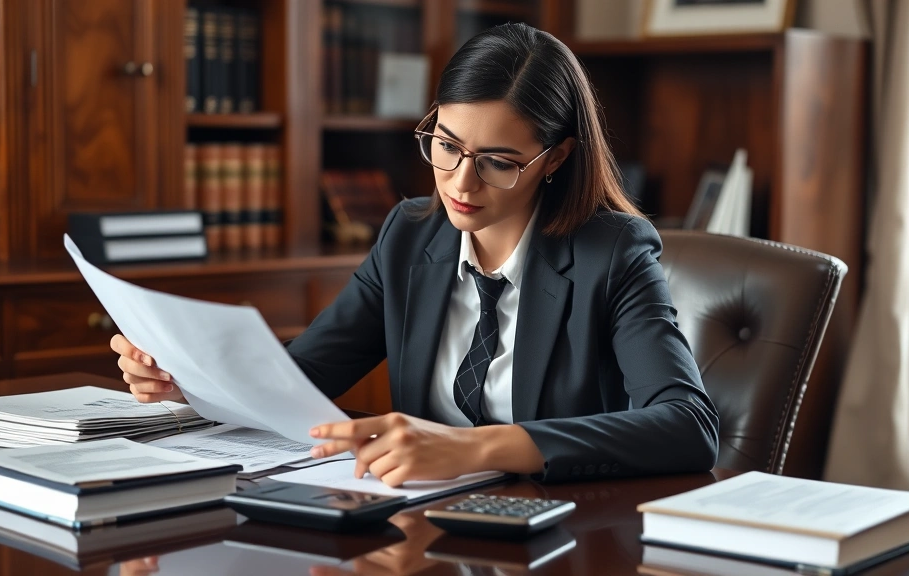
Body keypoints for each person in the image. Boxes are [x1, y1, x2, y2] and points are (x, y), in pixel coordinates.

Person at [112, 23, 718, 486]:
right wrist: (187, 383)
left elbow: (689, 425)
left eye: (498, 162)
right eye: (447, 146)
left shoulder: (611, 253)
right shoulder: (409, 236)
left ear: (554, 158)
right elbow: (297, 380)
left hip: (557, 531)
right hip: (417, 523)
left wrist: (478, 447)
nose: (459, 182)